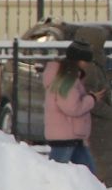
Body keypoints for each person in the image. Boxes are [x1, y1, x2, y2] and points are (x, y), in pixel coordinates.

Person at [73, 26, 112, 188]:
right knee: (100, 170)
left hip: (100, 129)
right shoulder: (90, 68)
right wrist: (109, 113)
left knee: (100, 169)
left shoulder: (93, 65)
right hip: (97, 128)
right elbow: (90, 97)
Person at [42, 40, 101, 175]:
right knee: (56, 175)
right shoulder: (67, 79)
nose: (87, 65)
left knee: (89, 177)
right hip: (65, 137)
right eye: (86, 61)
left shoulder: (66, 77)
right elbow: (72, 107)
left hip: (71, 136)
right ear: (80, 61)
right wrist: (92, 99)